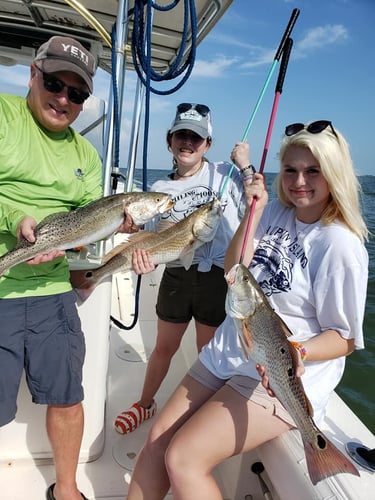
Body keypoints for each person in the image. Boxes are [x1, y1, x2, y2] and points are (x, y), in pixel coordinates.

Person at [126, 120, 369, 499]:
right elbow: (232, 270)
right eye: (290, 169)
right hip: (227, 351)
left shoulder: (340, 245)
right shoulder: (275, 214)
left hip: (277, 374)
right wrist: (254, 213)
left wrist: (297, 352)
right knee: (157, 439)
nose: (299, 180)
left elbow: (344, 339)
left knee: (184, 458)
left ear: (334, 174)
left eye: (312, 171)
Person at [0, 35, 136, 500]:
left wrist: (112, 234)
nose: (64, 99)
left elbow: (84, 226)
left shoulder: (86, 155)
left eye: (77, 93)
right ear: (32, 75)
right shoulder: (3, 117)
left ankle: (68, 488)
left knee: (68, 395)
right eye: (55, 84)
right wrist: (16, 220)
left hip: (52, 292)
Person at [114, 102, 252, 434]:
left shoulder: (225, 174)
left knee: (208, 351)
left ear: (207, 144)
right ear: (169, 140)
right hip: (176, 272)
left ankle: (203, 419)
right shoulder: (161, 190)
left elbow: (255, 201)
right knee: (164, 347)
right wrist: (138, 249)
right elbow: (151, 236)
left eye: (196, 137)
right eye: (181, 135)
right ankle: (145, 403)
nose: (187, 142)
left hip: (218, 276)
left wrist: (245, 167)